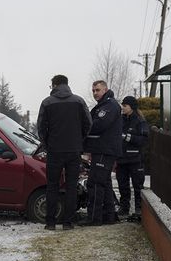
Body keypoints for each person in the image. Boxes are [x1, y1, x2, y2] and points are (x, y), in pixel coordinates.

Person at [37, 74, 92, 231]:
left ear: (54, 85)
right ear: (67, 84)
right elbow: (88, 124)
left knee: (52, 186)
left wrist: (48, 144)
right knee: (71, 186)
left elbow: (41, 128)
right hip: (74, 150)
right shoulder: (79, 101)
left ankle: (50, 222)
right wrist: (79, 140)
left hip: (54, 151)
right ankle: (68, 222)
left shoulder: (47, 103)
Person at [79, 80, 123, 226]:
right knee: (105, 183)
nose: (95, 93)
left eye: (97, 90)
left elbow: (98, 124)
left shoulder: (109, 106)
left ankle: (94, 218)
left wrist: (83, 127)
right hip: (101, 149)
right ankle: (109, 216)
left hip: (105, 149)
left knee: (95, 183)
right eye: (93, 90)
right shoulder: (102, 105)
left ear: (105, 89)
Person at [117, 95, 149, 219]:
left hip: (135, 159)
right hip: (121, 158)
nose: (123, 108)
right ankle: (124, 208)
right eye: (122, 105)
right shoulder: (120, 119)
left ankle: (139, 209)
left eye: (125, 106)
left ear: (132, 107)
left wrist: (128, 137)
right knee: (122, 185)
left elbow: (144, 139)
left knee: (137, 185)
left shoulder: (140, 121)